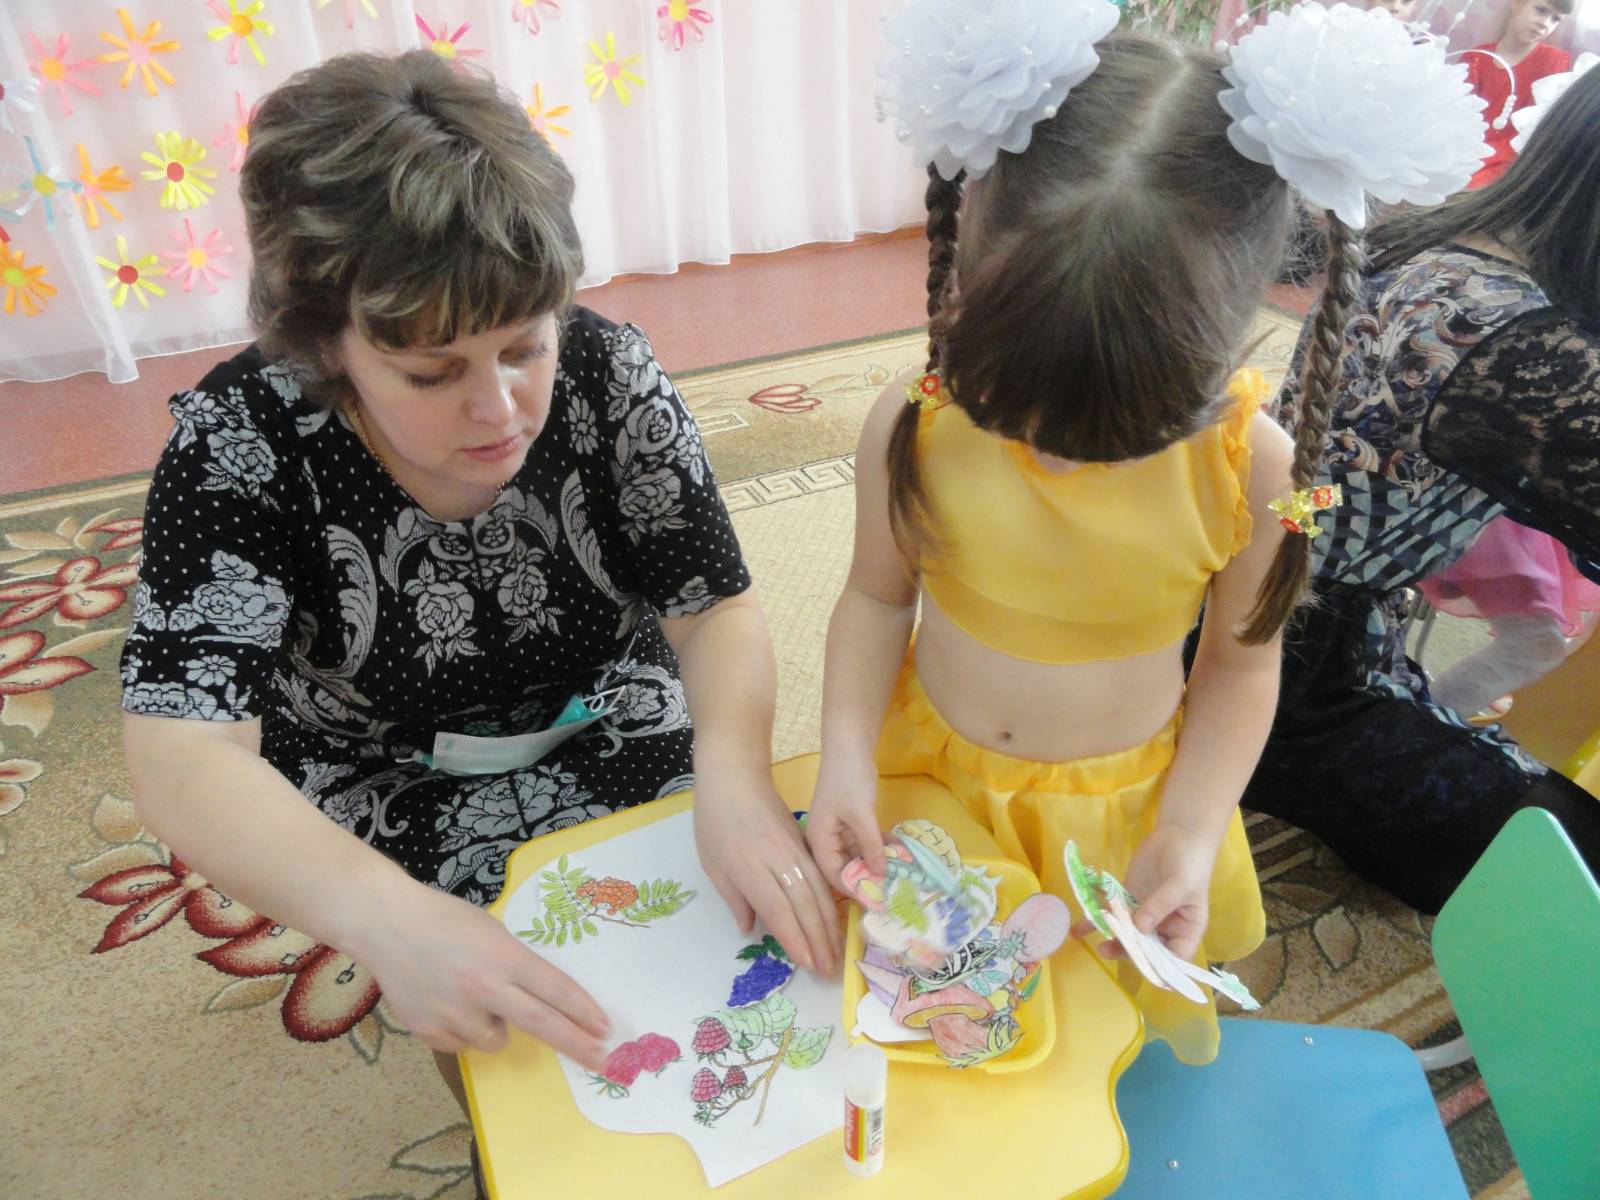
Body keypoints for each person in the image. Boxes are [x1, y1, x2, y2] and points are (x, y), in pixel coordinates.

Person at [118, 50, 840, 1128]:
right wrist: (388, 920)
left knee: (731, 947)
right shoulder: (242, 443)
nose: (499, 410)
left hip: (607, 706)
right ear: (328, 347)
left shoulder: (606, 372)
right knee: (516, 1046)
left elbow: (711, 607)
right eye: (431, 372)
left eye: (523, 348)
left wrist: (733, 773)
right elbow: (184, 752)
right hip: (380, 767)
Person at [805, 2, 1478, 1065]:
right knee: (927, 1035)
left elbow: (1241, 667)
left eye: (1123, 435)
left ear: (1231, 332)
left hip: (1120, 826)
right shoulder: (916, 417)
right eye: (1016, 413)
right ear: (969, 281)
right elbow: (875, 598)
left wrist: (1193, 830)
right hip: (926, 792)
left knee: (1094, 1051)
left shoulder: (1258, 467)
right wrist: (842, 756)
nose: (1059, 460)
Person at [1242, 60, 1600, 913]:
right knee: (1551, 874)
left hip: (1263, 592)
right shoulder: (1523, 344)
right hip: (1285, 665)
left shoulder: (1453, 240)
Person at [1464, 0, 1573, 188]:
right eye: (1541, 10)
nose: (1545, 23)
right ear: (1517, 4)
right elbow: (1460, 117)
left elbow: (1532, 128)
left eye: (1555, 19)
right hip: (1465, 148)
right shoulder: (1475, 57)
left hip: (1510, 156)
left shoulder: (1553, 61)